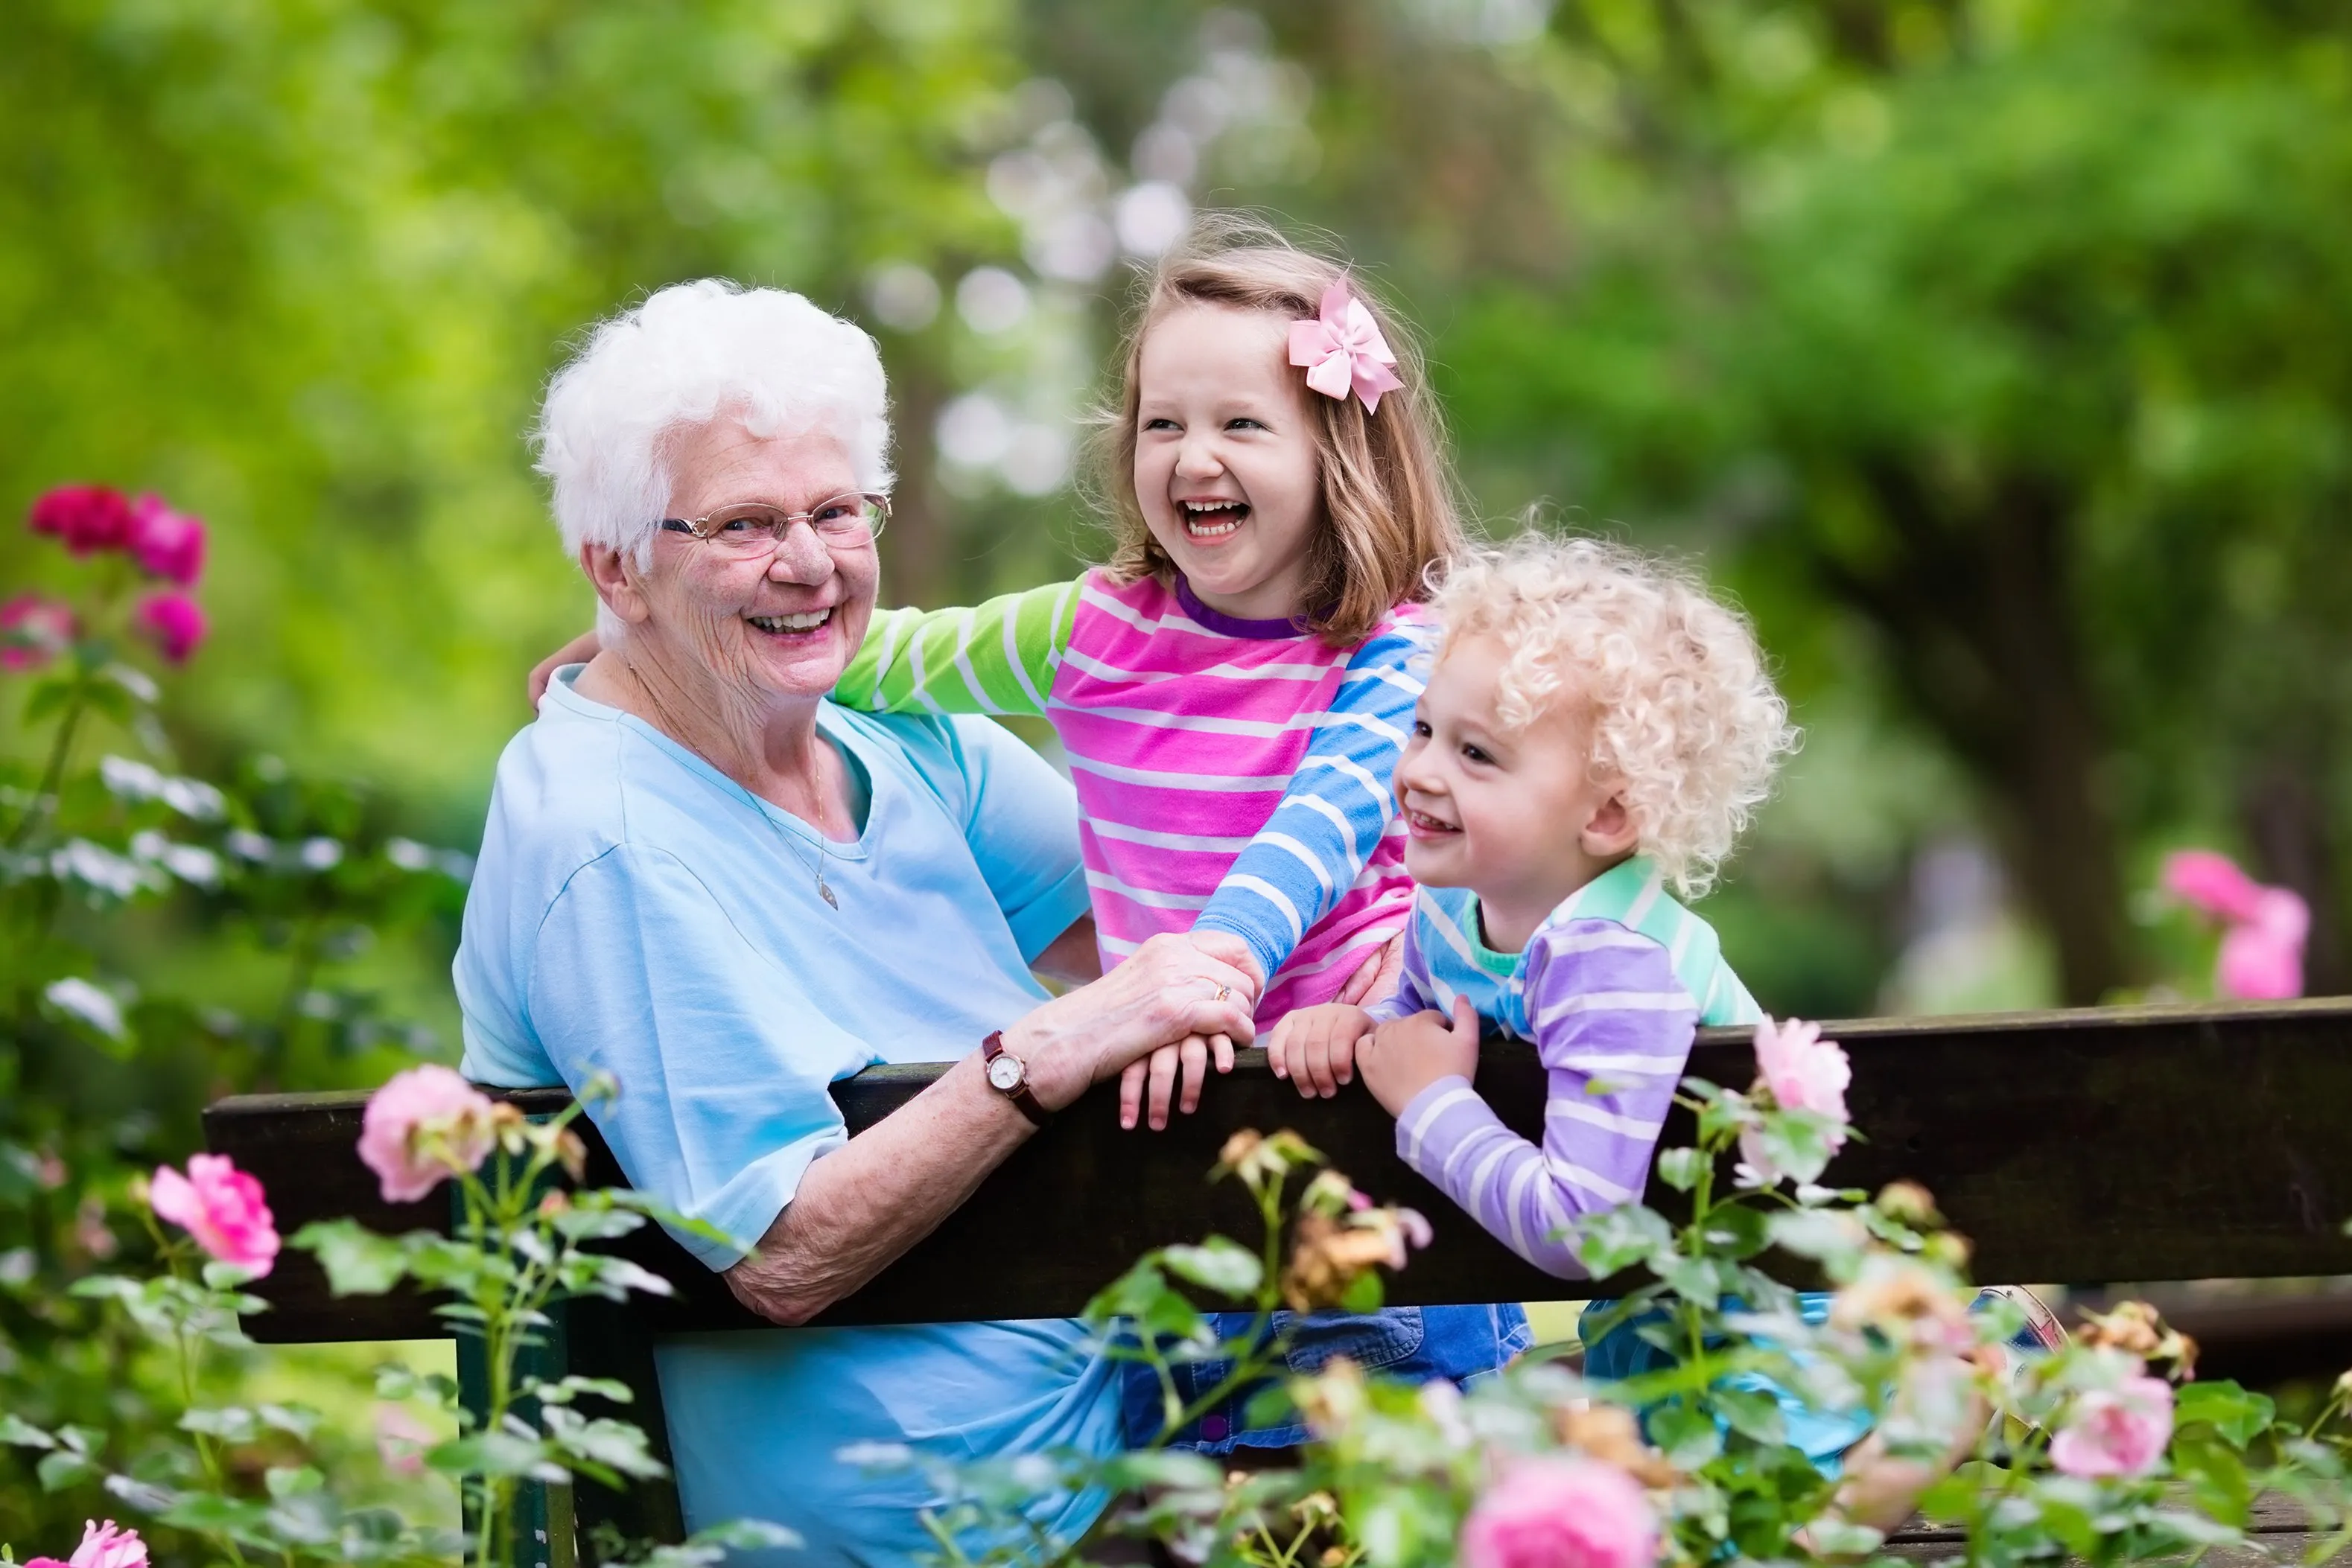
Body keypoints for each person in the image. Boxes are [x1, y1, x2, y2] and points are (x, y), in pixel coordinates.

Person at [454, 278, 1261, 1566]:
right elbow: (779, 1250)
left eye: (837, 510)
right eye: (742, 525)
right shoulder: (599, 833)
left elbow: (1202, 948)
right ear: (615, 565)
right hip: (921, 1535)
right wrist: (1039, 1050)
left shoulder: (901, 740)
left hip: (1145, 1460)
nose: (810, 561)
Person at [826, 221, 1528, 1453]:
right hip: (1170, 1156)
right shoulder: (1095, 629)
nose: (1192, 455)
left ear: (1339, 452)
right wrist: (669, 640)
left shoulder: (1400, 653)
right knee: (1199, 1482)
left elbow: (1313, 833)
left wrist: (1199, 981)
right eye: (1163, 423)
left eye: (1241, 425)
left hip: (1354, 1136)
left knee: (1391, 1485)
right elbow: (891, 658)